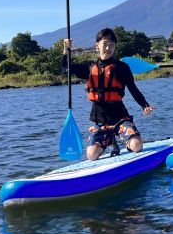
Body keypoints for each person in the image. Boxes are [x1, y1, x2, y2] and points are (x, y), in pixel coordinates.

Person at [62, 28, 155, 160]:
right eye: (105, 43)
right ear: (97, 45)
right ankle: (111, 142)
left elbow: (133, 89)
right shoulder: (89, 67)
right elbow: (66, 68)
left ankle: (128, 142)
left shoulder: (122, 68)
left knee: (137, 146)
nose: (108, 47)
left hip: (120, 118)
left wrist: (144, 105)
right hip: (100, 121)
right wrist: (66, 49)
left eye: (112, 45)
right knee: (91, 155)